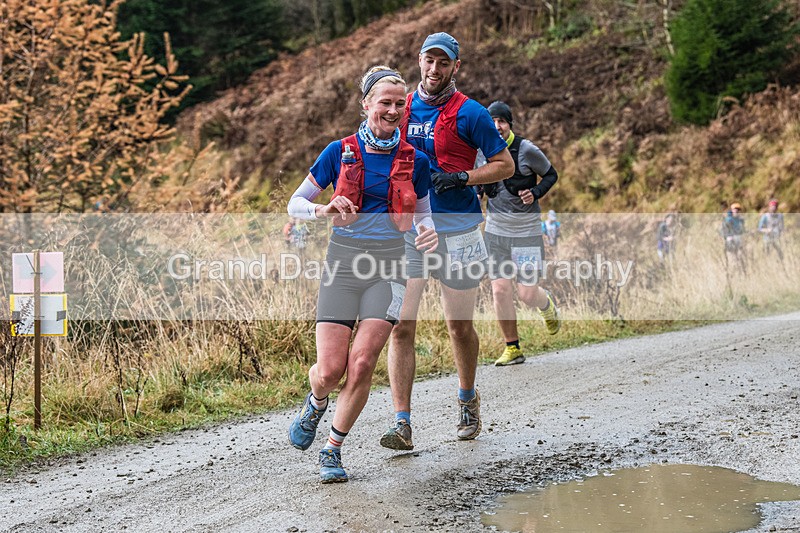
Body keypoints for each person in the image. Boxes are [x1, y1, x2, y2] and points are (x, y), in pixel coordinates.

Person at [286, 66, 438, 483]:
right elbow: (295, 203)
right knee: (329, 370)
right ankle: (316, 403)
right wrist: (323, 209)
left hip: (389, 268)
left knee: (363, 361)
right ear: (367, 104)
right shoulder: (339, 152)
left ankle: (332, 449)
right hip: (343, 264)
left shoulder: (416, 160)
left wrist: (428, 233)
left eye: (400, 104)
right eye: (385, 102)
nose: (393, 110)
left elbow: (424, 216)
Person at [380, 32, 515, 451]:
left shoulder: (471, 113)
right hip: (411, 231)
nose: (434, 69)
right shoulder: (401, 108)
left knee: (459, 327)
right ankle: (402, 423)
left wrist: (463, 178)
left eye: (443, 62)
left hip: (458, 231)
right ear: (419, 61)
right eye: (429, 60)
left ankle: (467, 399)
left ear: (456, 66)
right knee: (401, 325)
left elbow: (505, 165)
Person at [480, 100, 561, 367]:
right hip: (496, 233)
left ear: (509, 124)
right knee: (500, 290)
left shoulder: (526, 149)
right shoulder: (481, 152)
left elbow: (551, 175)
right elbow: (477, 182)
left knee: (527, 294)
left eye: (502, 121)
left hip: (526, 233)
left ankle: (546, 304)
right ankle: (512, 347)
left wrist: (535, 192)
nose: (497, 126)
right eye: (492, 121)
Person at [721, 202, 746, 272]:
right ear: (732, 210)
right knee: (733, 260)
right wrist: (729, 237)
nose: (737, 211)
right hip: (730, 242)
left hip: (738, 242)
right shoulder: (728, 219)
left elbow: (742, 231)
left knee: (741, 259)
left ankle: (741, 272)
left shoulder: (740, 220)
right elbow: (723, 231)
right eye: (735, 209)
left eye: (738, 210)